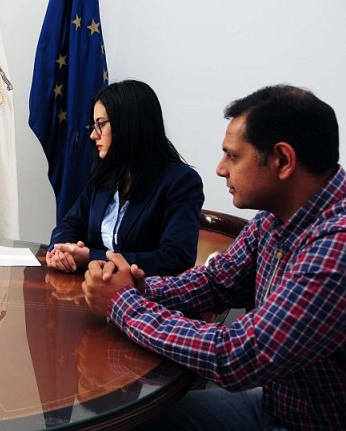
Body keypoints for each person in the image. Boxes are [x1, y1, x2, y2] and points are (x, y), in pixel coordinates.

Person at [83, 85, 346, 430]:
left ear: (282, 160)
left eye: (233, 156)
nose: (220, 169)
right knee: (124, 420)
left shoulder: (336, 246)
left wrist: (124, 302)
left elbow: (237, 355)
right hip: (275, 404)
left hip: (313, 423)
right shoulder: (273, 218)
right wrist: (138, 286)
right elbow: (214, 280)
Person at [47, 80, 204, 276]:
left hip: (146, 298)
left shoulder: (181, 182)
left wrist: (91, 257)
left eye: (101, 125)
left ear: (128, 125)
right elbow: (69, 223)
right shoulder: (105, 175)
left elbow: (175, 259)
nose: (93, 135)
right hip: (93, 288)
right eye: (93, 126)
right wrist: (62, 249)